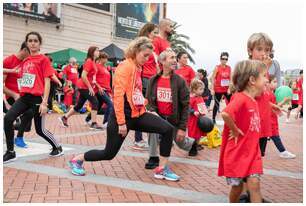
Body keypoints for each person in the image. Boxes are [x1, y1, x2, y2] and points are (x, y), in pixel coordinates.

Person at [67, 37, 180, 182]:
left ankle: (162, 169)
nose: (147, 59)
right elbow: (118, 96)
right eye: (144, 55)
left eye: (149, 56)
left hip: (137, 115)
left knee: (167, 129)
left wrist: (144, 107)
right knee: (108, 153)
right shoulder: (126, 66)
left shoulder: (138, 67)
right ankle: (77, 159)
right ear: (135, 51)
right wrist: (121, 122)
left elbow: (134, 94)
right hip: (122, 118)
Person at [4, 31, 63, 163]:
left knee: (40, 130)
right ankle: (10, 152)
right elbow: (18, 75)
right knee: (8, 118)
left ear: (40, 43)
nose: (32, 43)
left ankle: (57, 147)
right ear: (26, 43)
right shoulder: (25, 61)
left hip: (38, 99)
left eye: (35, 41)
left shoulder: (43, 59)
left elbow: (47, 81)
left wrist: (44, 102)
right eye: (30, 41)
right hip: (24, 98)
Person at [218, 60, 267, 203]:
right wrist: (234, 129)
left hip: (252, 153)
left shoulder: (254, 99)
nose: (266, 79)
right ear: (252, 80)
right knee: (237, 188)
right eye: (264, 76)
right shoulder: (241, 98)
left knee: (255, 185)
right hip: (237, 154)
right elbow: (226, 113)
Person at [145, 48, 196, 168]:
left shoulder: (180, 81)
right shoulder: (153, 80)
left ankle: (192, 143)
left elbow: (185, 105)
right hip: (159, 117)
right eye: (171, 58)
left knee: (181, 142)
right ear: (162, 61)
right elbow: (148, 101)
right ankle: (153, 157)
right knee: (152, 128)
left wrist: (182, 128)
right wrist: (152, 111)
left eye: (175, 57)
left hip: (174, 119)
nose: (175, 60)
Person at [59, 46, 102, 130]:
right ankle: (93, 123)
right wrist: (90, 87)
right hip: (84, 86)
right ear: (92, 52)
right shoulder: (89, 61)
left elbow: (91, 76)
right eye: (97, 51)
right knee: (95, 102)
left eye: (98, 51)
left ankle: (64, 117)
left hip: (84, 86)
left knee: (79, 105)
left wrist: (94, 85)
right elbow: (83, 75)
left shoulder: (92, 62)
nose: (98, 52)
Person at [131, 23, 159, 150]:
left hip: (152, 80)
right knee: (141, 108)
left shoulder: (151, 47)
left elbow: (156, 66)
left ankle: (151, 137)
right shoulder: (141, 46)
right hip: (144, 80)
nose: (156, 35)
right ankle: (138, 139)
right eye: (154, 32)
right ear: (148, 32)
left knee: (149, 108)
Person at [3, 41, 32, 148]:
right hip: (12, 96)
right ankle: (18, 138)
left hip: (24, 96)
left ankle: (10, 127)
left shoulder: (26, 62)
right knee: (28, 113)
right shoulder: (8, 61)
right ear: (24, 50)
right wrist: (14, 95)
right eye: (30, 53)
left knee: (28, 126)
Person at [267, 75, 296, 158]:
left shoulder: (271, 93)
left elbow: (275, 106)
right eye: (274, 82)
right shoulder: (268, 94)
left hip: (272, 118)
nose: (276, 84)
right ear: (268, 83)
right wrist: (284, 101)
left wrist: (281, 110)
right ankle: (283, 151)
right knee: (274, 135)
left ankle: (282, 151)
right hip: (269, 119)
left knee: (270, 136)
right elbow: (272, 106)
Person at [85, 52, 114, 128]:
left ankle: (88, 119)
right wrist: (99, 87)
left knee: (98, 106)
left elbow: (107, 80)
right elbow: (93, 78)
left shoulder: (106, 68)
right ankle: (106, 122)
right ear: (100, 58)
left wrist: (110, 89)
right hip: (100, 90)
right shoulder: (97, 66)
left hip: (106, 89)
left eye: (106, 58)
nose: (106, 60)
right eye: (104, 58)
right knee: (110, 104)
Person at [187, 79, 208, 156]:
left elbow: (202, 106)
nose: (202, 91)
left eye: (203, 89)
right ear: (194, 89)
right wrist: (193, 112)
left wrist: (206, 110)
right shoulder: (191, 98)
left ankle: (196, 145)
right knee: (193, 134)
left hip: (200, 119)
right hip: (193, 120)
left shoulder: (200, 97)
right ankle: (192, 148)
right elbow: (187, 108)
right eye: (200, 89)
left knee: (199, 133)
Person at [210, 52, 232, 124]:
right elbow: (212, 78)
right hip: (218, 89)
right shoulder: (217, 67)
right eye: (223, 59)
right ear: (220, 59)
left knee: (231, 103)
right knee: (216, 104)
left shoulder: (229, 68)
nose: (224, 60)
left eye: (226, 59)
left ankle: (231, 118)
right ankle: (213, 119)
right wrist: (212, 89)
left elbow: (231, 79)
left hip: (226, 90)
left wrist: (229, 88)